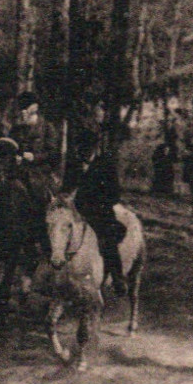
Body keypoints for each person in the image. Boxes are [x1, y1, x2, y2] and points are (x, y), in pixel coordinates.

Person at [64, 116, 127, 291]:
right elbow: (66, 188)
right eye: (80, 148)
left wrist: (96, 205)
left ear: (94, 148)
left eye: (86, 148)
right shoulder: (74, 165)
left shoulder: (105, 165)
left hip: (100, 214)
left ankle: (117, 277)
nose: (82, 152)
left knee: (107, 240)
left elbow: (114, 195)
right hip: (76, 213)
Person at [6, 91, 58, 204]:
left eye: (26, 107)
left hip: (39, 172)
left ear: (35, 107)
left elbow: (52, 154)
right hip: (17, 171)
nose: (23, 111)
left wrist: (34, 157)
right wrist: (15, 158)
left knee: (39, 196)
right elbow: (7, 149)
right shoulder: (16, 129)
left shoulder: (47, 128)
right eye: (21, 108)